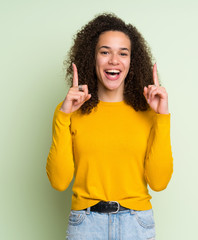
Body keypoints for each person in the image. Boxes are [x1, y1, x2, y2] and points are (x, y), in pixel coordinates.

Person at [46, 13, 173, 240]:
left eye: (122, 53)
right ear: (92, 58)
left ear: (131, 62)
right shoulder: (70, 111)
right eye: (105, 52)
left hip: (137, 225)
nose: (114, 60)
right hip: (86, 225)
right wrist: (63, 114)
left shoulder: (149, 112)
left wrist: (161, 117)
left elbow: (159, 182)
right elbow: (59, 181)